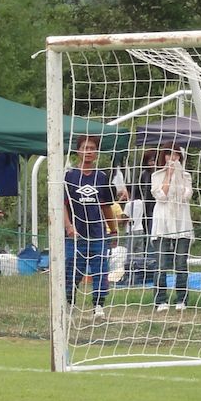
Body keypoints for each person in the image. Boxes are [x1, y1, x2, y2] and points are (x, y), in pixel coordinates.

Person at [63, 135, 118, 317]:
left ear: (96, 152)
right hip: (75, 235)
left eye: (92, 148)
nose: (88, 152)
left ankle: (98, 306)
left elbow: (106, 206)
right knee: (72, 269)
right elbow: (62, 204)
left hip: (97, 233)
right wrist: (68, 226)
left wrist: (113, 230)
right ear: (78, 151)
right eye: (85, 148)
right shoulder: (69, 176)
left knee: (100, 270)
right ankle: (69, 303)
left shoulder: (102, 177)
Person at [151, 148, 194, 310]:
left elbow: (186, 196)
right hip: (162, 223)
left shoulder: (186, 176)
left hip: (181, 222)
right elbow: (161, 195)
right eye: (169, 154)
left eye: (176, 155)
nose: (173, 158)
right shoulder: (156, 175)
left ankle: (182, 299)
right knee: (161, 263)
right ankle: (160, 300)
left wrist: (179, 177)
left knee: (181, 262)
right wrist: (168, 176)